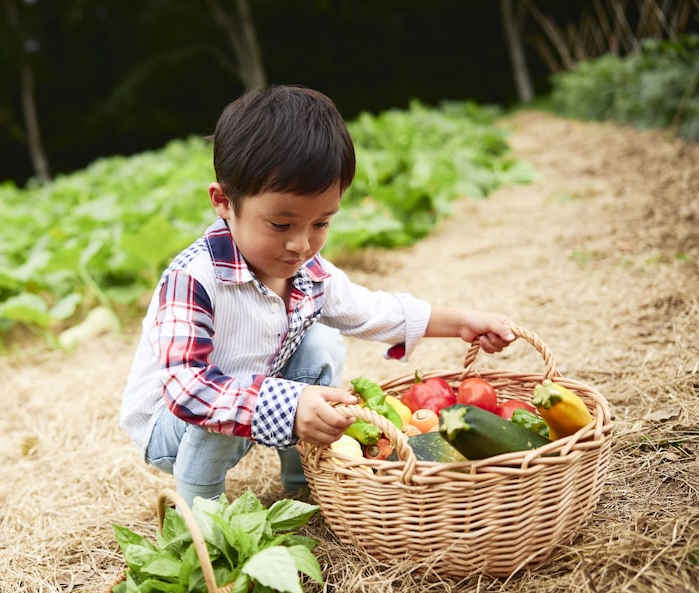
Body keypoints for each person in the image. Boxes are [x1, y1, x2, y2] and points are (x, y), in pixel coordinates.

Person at [119, 85, 516, 508]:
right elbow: (189, 391)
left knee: (322, 342)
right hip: (173, 426)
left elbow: (372, 311)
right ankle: (203, 516)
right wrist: (288, 403)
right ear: (223, 202)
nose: (301, 245)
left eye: (321, 223)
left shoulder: (307, 272)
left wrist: (462, 323)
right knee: (224, 405)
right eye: (280, 224)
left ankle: (304, 478)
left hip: (251, 403)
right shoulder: (193, 279)